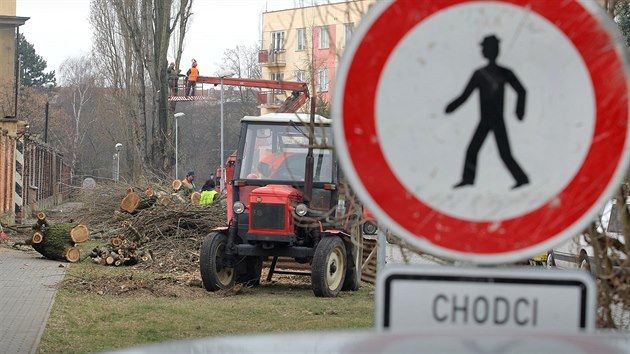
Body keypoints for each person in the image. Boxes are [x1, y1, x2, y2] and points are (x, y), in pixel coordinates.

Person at [445, 34, 529, 190]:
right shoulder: (479, 74)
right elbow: (465, 95)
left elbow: (521, 91)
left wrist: (519, 111)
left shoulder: (504, 72)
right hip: (485, 120)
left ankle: (522, 178)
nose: (484, 50)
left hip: (497, 120)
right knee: (473, 150)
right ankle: (468, 179)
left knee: (504, 153)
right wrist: (452, 106)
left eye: (485, 47)